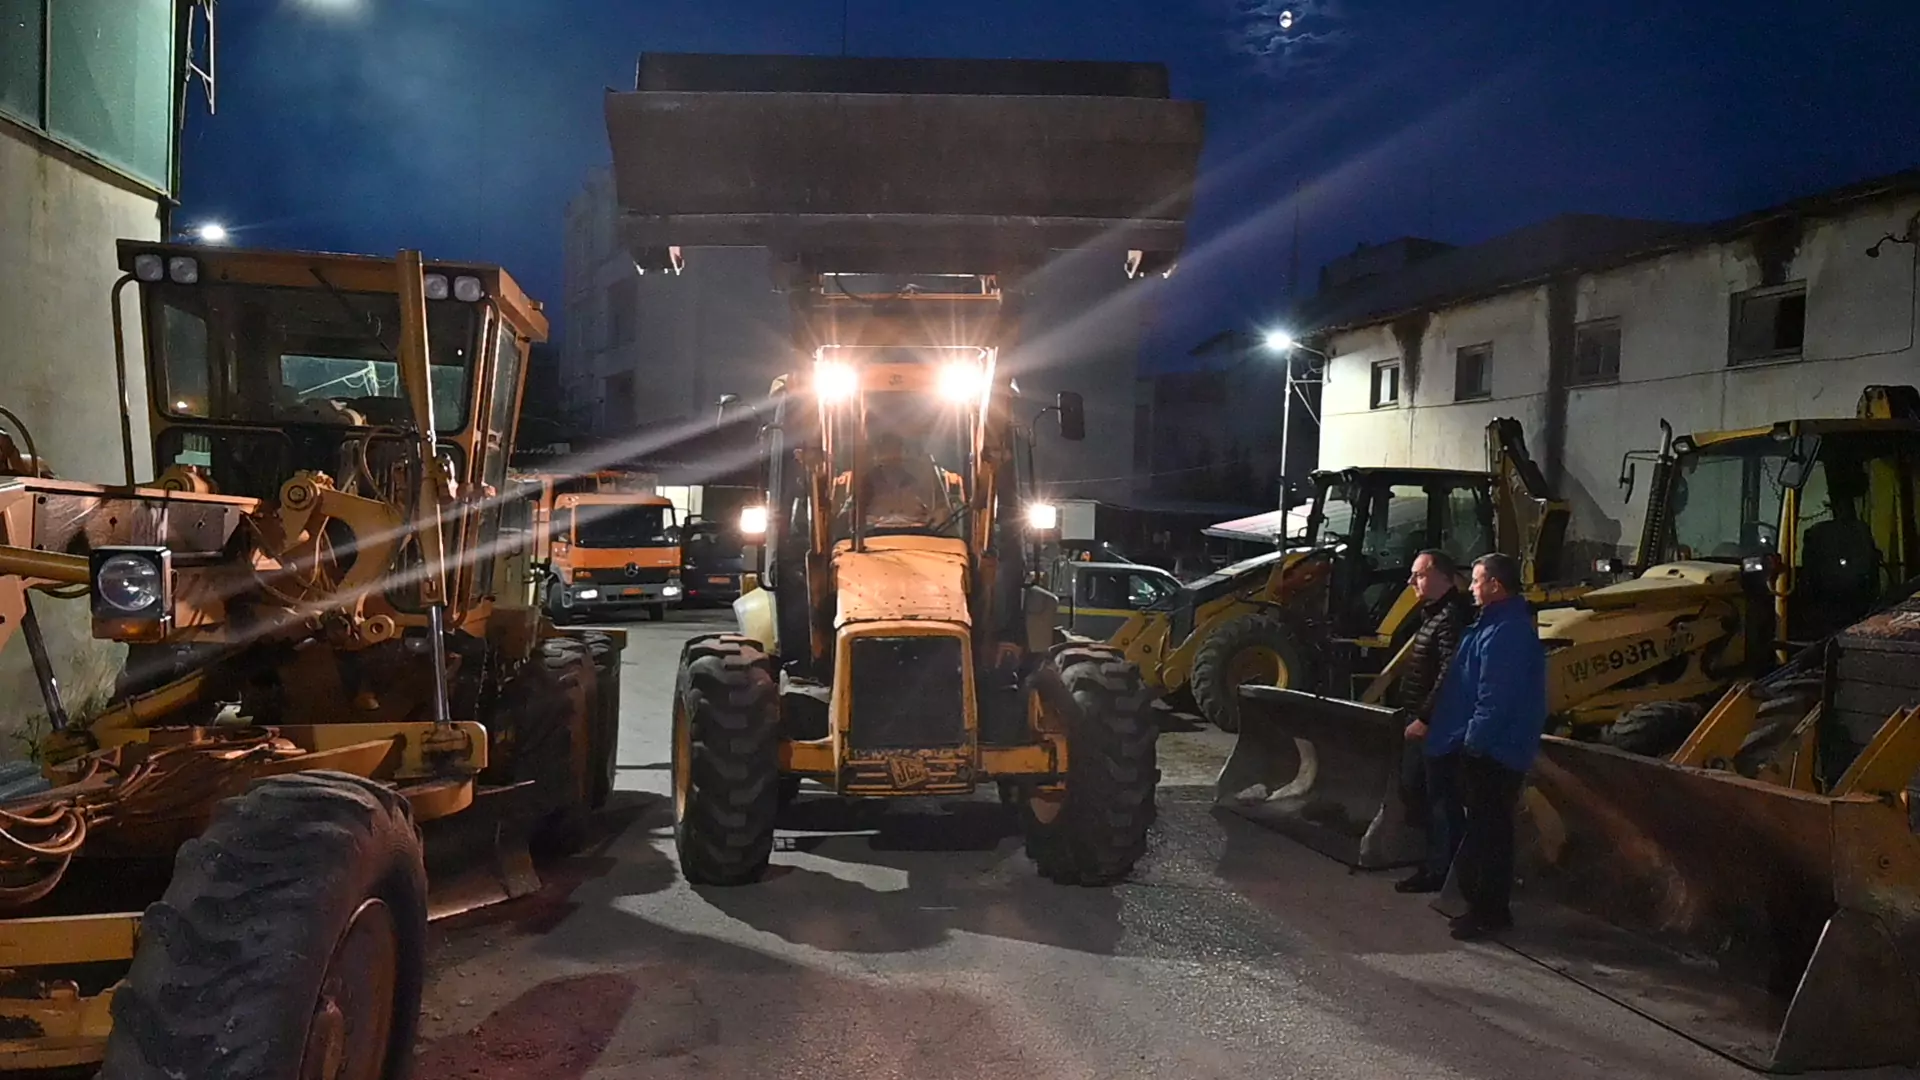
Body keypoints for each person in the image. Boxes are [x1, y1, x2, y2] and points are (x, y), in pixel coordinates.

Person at [1421, 552, 1547, 940]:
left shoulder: (1507, 633)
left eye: (1477, 580)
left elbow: (1494, 698)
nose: (1472, 588)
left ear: (1496, 584)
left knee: (1489, 833)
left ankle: (1489, 911)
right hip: (1485, 745)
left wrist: (1473, 743)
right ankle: (1483, 906)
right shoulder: (1490, 626)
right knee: (1484, 828)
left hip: (1496, 750)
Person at [1391, 549, 1476, 894]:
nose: (1411, 581)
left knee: (1438, 797)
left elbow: (1449, 673)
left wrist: (1426, 718)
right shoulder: (1434, 615)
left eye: (1420, 574)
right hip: (1425, 718)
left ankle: (1441, 870)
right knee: (1423, 792)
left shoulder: (1450, 618)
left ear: (1442, 576)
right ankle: (1436, 862)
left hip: (1437, 725)